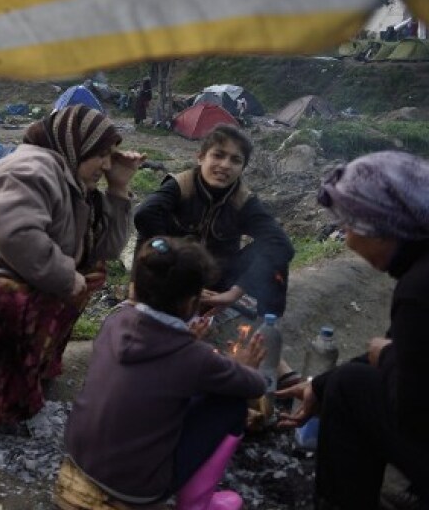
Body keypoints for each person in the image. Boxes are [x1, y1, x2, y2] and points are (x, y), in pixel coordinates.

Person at [0, 105, 144, 428]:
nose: (106, 165)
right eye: (100, 155)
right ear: (76, 146)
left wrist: (117, 188)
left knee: (92, 272)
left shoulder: (75, 183)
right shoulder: (31, 169)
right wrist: (65, 276)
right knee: (14, 296)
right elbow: (16, 236)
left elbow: (107, 249)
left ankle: (33, 367)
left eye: (109, 155)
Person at [60, 237, 266, 508]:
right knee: (231, 405)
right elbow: (253, 386)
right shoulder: (193, 356)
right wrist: (244, 365)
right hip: (138, 488)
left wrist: (190, 343)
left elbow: (161, 367)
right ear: (191, 302)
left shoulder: (115, 322)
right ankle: (196, 502)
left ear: (135, 289)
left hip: (78, 455)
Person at [278, 152, 429, 510]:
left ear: (381, 225)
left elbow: (413, 410)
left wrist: (385, 355)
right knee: (348, 378)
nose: (345, 240)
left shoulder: (419, 290)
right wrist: (318, 385)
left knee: (350, 387)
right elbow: (410, 354)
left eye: (348, 227)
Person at [134, 125, 295, 371]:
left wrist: (235, 292)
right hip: (175, 276)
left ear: (242, 168)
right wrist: (177, 262)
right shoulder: (182, 185)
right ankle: (139, 296)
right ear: (201, 157)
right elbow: (144, 214)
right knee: (151, 232)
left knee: (276, 256)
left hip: (218, 280)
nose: (225, 165)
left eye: (235, 160)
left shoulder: (243, 200)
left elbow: (281, 243)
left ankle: (265, 328)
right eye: (218, 155)